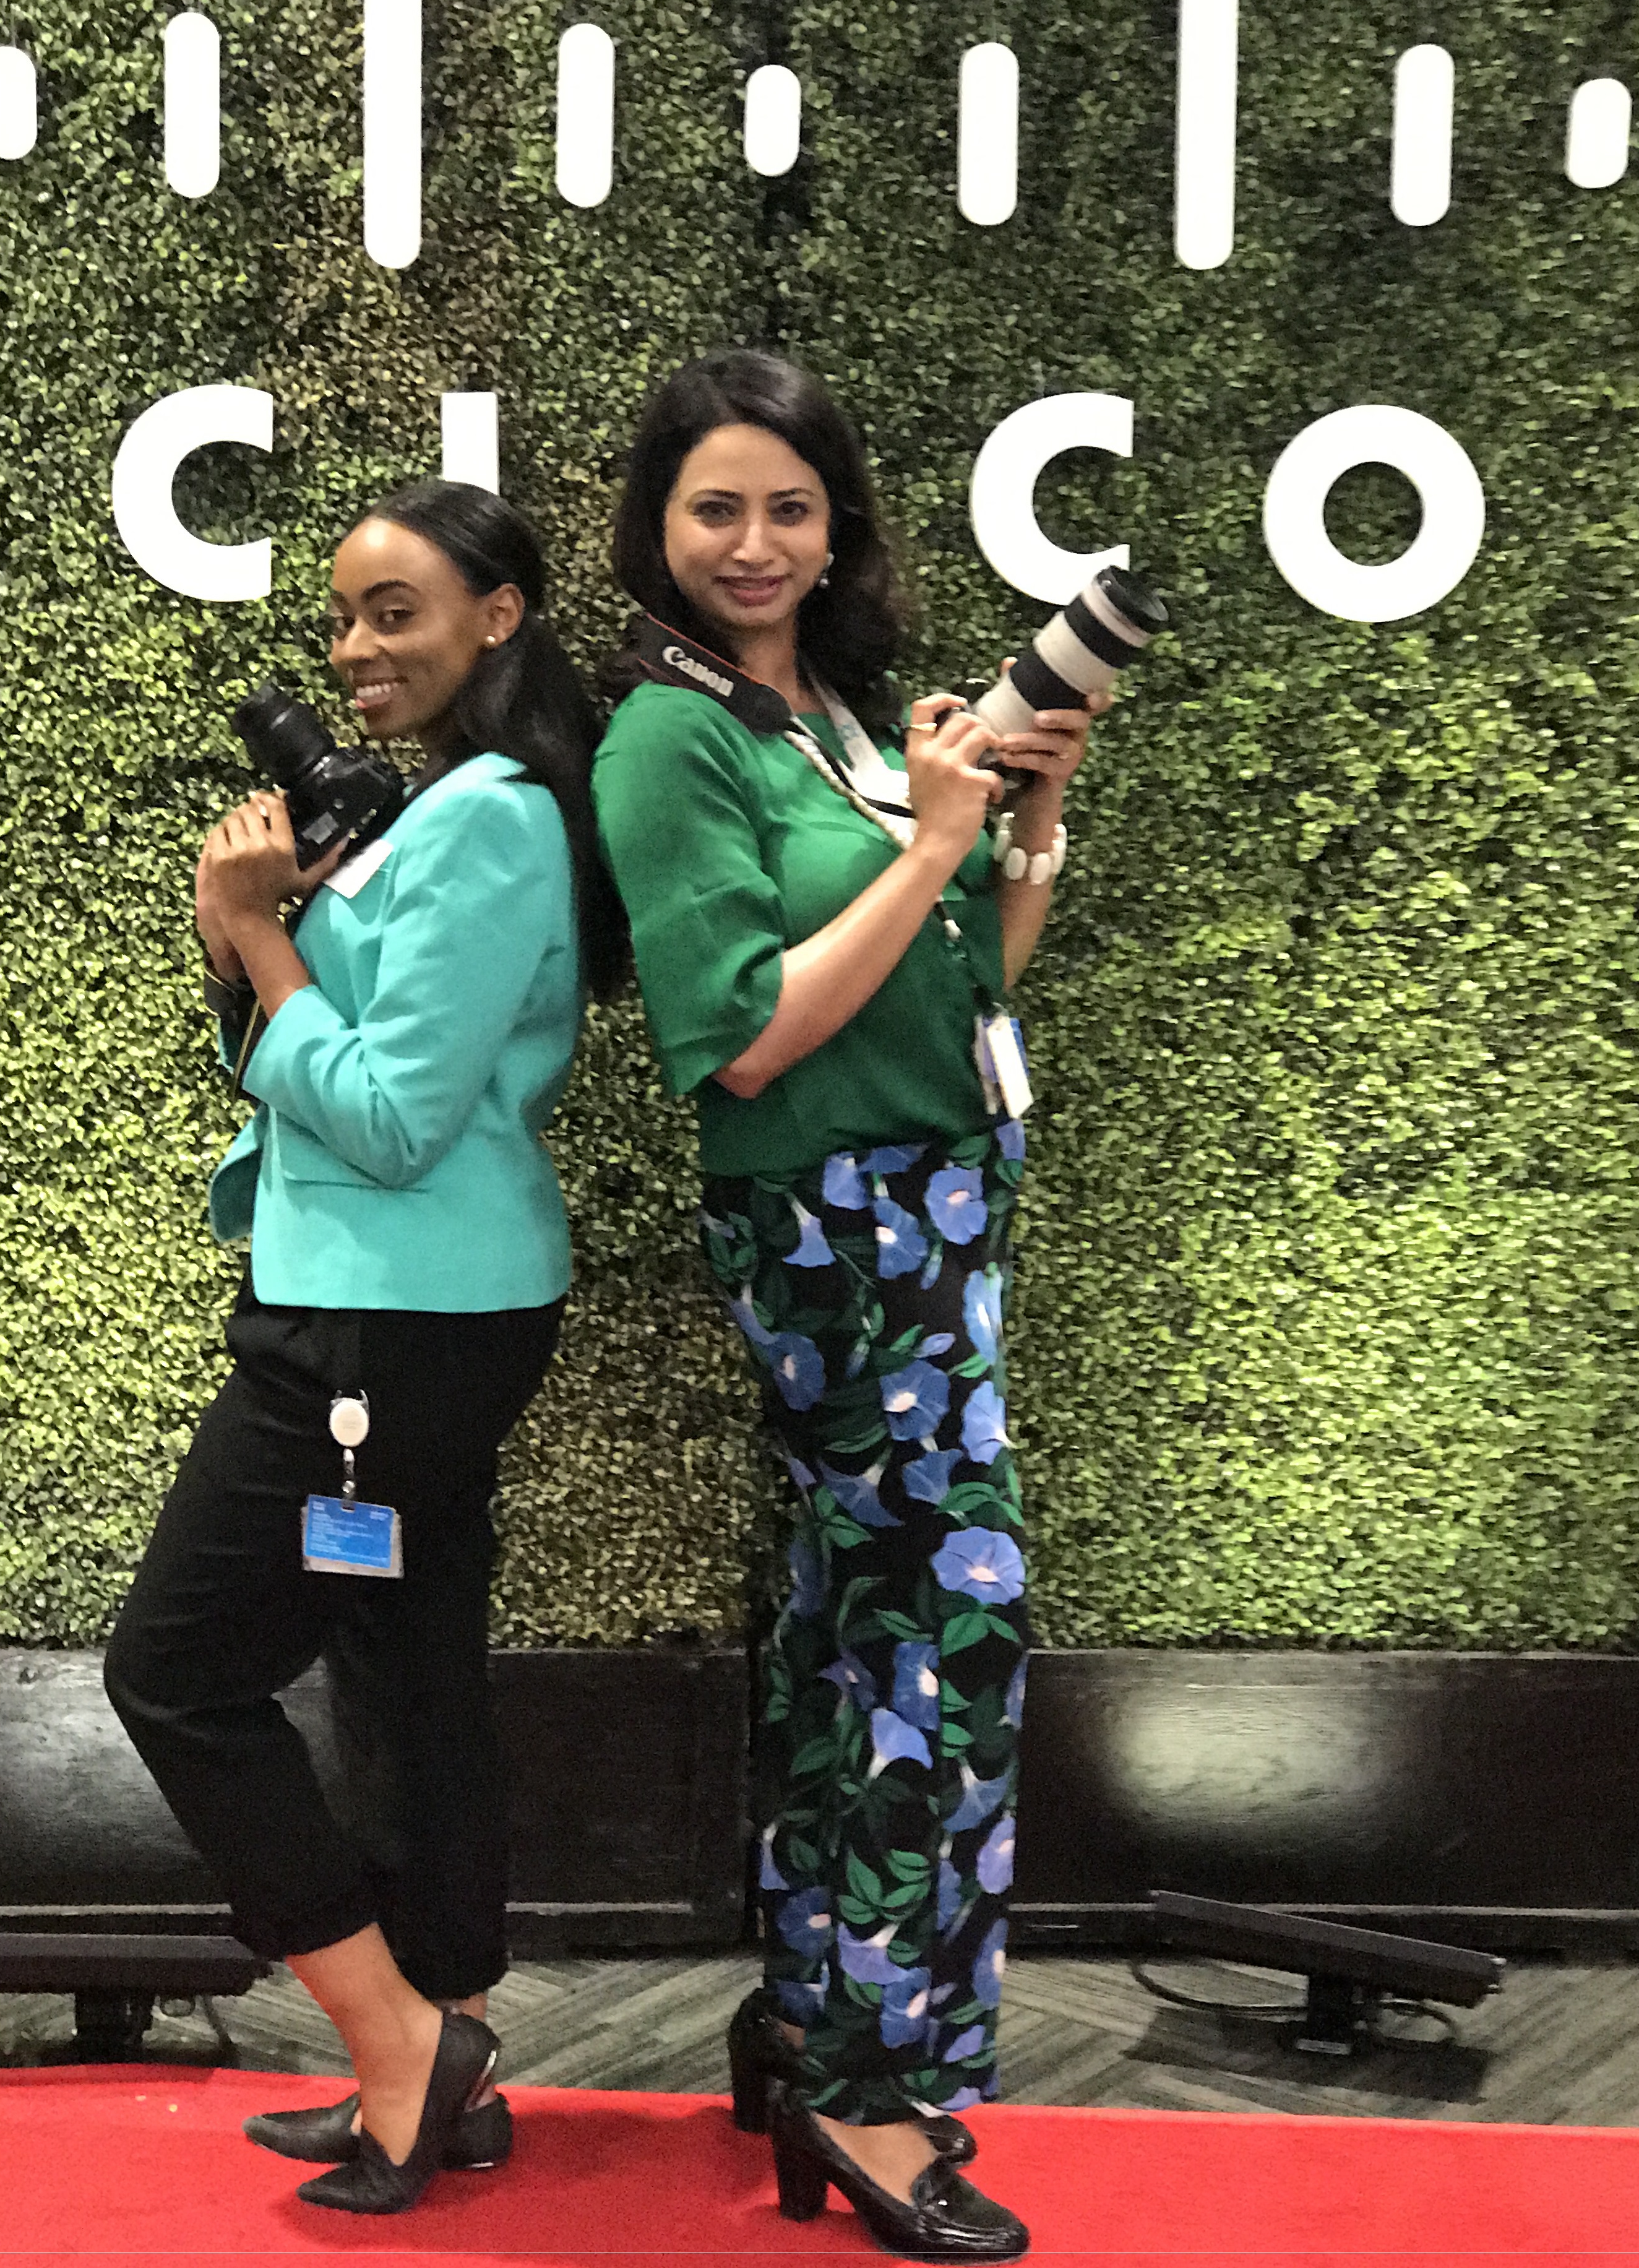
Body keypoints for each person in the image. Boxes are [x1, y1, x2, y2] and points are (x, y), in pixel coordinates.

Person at [592, 351, 1100, 2263]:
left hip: (943, 1202)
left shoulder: (845, 708)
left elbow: (959, 965)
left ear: (836, 524)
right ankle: (882, 2090)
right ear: (658, 524)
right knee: (941, 1647)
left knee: (848, 1621)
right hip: (828, 1220)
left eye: (787, 507)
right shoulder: (668, 736)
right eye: (715, 506)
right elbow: (737, 1039)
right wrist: (938, 841)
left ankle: (813, 2015)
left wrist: (1017, 818)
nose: (752, 542)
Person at [105, 479, 626, 2216]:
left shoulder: (485, 820)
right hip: (406, 1306)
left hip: (387, 1318)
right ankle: (444, 2050)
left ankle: (395, 2035)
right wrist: (251, 932)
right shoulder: (438, 815)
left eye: (394, 609)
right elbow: (337, 1069)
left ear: (500, 615)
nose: (351, 647)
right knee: (407, 1677)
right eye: (341, 615)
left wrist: (257, 933)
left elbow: (396, 1117)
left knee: (176, 1671)